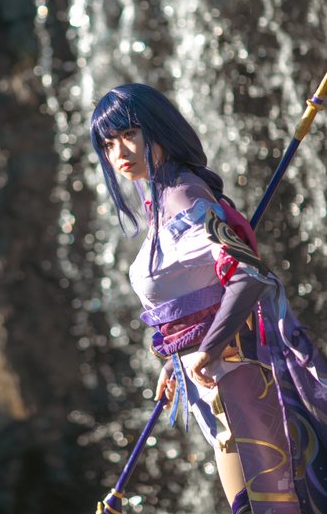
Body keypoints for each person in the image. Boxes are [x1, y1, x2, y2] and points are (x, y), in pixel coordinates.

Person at [90, 83, 327, 514]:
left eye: (128, 134)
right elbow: (202, 293)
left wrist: (209, 349)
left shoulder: (183, 197)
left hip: (233, 379)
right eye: (108, 144)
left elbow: (248, 275)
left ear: (157, 128)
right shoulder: (162, 201)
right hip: (213, 380)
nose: (118, 152)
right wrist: (176, 361)